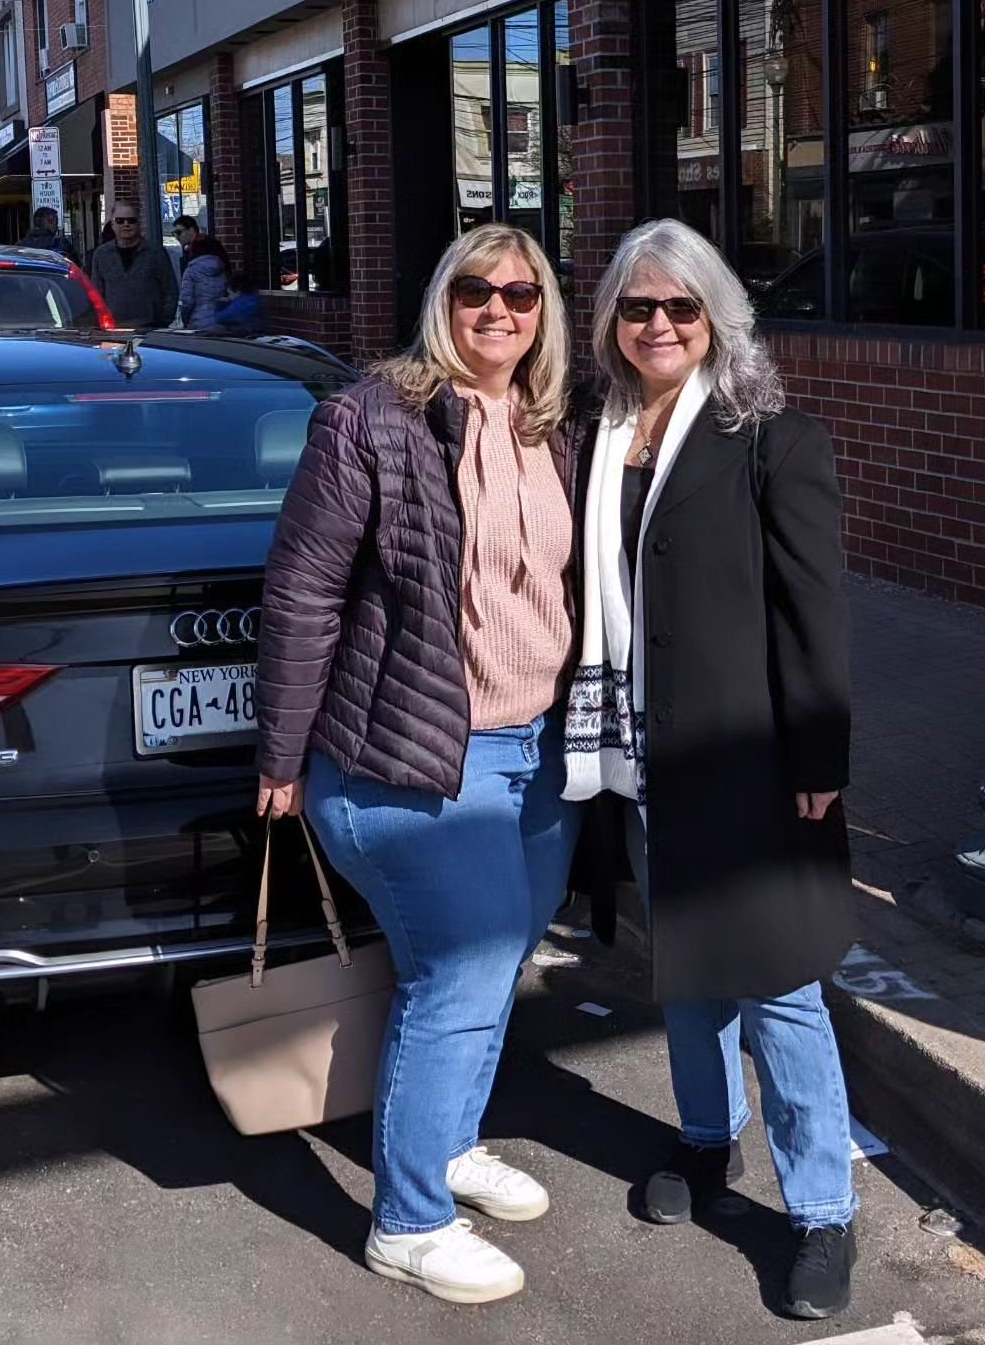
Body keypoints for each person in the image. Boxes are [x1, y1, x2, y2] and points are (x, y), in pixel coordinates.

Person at [256, 222, 582, 1308]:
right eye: (477, 290)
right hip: (414, 757)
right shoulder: (371, 418)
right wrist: (283, 749)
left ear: (545, 313)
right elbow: (302, 589)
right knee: (463, 971)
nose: (499, 310)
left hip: (537, 756)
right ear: (445, 298)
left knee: (495, 963)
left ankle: (444, 1146)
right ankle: (408, 1221)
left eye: (522, 295)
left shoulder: (553, 424)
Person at [565, 217, 857, 1323]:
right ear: (613, 323)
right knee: (683, 965)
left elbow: (814, 609)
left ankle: (822, 1211)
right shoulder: (599, 437)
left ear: (716, 317)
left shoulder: (770, 437)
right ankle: (704, 1142)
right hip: (636, 749)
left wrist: (819, 753)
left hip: (746, 747)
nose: (659, 325)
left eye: (681, 307)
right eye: (639, 307)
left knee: (780, 985)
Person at [88, 203, 179, 329]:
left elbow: (170, 291)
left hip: (149, 329)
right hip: (113, 330)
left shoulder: (155, 253)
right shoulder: (101, 254)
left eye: (131, 220)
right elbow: (96, 294)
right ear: (112, 225)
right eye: (120, 221)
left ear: (138, 224)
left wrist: (162, 322)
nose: (126, 224)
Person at [179, 237, 230, 332]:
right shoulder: (221, 268)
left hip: (198, 321)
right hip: (221, 320)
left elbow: (187, 301)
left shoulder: (191, 270)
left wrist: (185, 319)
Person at [212, 268, 265, 337]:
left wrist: (220, 303)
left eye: (229, 293)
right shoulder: (252, 299)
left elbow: (221, 318)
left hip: (246, 337)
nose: (229, 296)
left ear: (238, 291)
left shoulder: (242, 304)